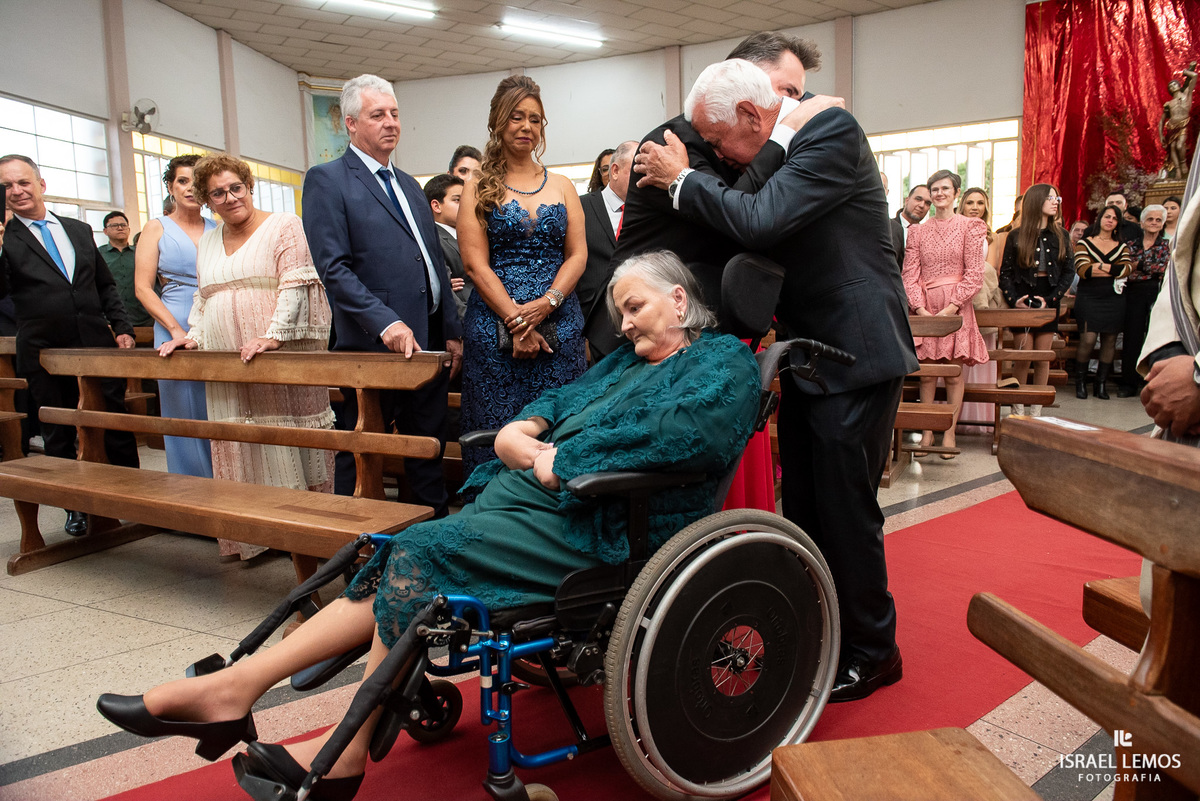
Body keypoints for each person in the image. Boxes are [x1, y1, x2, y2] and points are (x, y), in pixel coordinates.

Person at [95, 251, 761, 800]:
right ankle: (238, 687)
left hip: (605, 528)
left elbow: (683, 436)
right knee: (385, 553)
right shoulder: (625, 362)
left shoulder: (721, 362)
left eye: (635, 307)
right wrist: (525, 432)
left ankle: (325, 742)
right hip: (539, 501)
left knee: (417, 555)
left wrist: (558, 458)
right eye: (619, 311)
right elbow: (562, 398)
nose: (625, 322)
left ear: (679, 300)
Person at [635, 58, 918, 702]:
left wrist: (682, 178)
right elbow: (751, 193)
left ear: (751, 116)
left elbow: (760, 219)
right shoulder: (781, 143)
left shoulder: (831, 132)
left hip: (856, 350)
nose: (715, 157)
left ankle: (875, 652)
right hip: (811, 355)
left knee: (847, 513)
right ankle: (827, 635)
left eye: (715, 141)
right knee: (810, 512)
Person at [157, 154, 335, 561]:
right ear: (207, 201)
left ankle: (301, 530)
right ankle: (253, 530)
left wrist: (273, 336)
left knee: (284, 437)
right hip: (226, 358)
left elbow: (295, 286)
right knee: (240, 438)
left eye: (236, 187)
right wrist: (193, 337)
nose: (230, 197)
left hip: (275, 354)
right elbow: (203, 301)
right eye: (217, 193)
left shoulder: (285, 225)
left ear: (248, 186)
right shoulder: (208, 240)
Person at [302, 75, 462, 518]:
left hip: (426, 341)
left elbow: (433, 261)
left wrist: (450, 329)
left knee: (427, 446)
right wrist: (386, 321)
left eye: (394, 114)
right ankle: (354, 546)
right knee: (362, 452)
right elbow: (333, 268)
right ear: (351, 124)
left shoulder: (411, 184)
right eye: (378, 115)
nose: (390, 123)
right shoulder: (327, 180)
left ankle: (429, 537)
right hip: (372, 346)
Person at [0, 154, 139, 536]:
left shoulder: (78, 229)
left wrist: (122, 326)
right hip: (44, 350)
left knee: (113, 419)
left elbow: (104, 284)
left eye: (23, 182)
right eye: (7, 186)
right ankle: (74, 506)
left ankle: (134, 497)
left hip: (95, 343)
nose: (16, 191)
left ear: (41, 184)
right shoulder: (6, 238)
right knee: (59, 429)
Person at [457, 76, 587, 478]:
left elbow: (578, 254)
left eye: (535, 119)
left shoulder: (563, 186)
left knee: (558, 432)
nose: (527, 127)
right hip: (495, 332)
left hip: (559, 328)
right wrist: (516, 320)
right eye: (516, 117)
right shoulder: (477, 187)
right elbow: (475, 265)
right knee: (497, 434)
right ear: (498, 121)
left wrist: (549, 302)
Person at [134, 154, 216, 480]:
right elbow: (142, 288)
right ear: (171, 186)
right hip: (174, 318)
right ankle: (192, 490)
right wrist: (175, 330)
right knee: (183, 408)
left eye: (197, 182)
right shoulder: (156, 227)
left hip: (214, 319)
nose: (190, 188)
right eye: (182, 181)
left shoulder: (217, 227)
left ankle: (228, 489)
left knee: (218, 406)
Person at [902, 170, 988, 454]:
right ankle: (926, 433)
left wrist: (953, 307)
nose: (939, 194)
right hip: (926, 307)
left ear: (956, 193)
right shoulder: (918, 231)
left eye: (945, 189)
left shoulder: (970, 227)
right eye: (934, 189)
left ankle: (949, 434)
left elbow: (975, 273)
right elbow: (909, 274)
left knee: (952, 373)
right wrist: (920, 308)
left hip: (956, 306)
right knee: (927, 374)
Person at [997, 185, 1074, 413]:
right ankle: (1018, 405)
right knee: (1023, 355)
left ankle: (1037, 407)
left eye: (1056, 197)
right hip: (1023, 297)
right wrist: (1014, 299)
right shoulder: (1015, 235)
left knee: (1043, 356)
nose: (1055, 201)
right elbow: (1006, 273)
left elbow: (1069, 271)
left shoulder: (1062, 235)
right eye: (1050, 197)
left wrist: (1052, 299)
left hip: (1049, 297)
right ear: (1036, 201)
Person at [578, 140, 636, 355]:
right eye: (635, 171)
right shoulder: (580, 207)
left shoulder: (649, 212)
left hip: (637, 327)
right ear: (615, 171)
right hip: (592, 327)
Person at [1072, 205, 1132, 400]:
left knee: (1110, 340)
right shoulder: (1085, 243)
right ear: (1100, 219)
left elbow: (1127, 269)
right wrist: (1112, 269)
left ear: (1117, 224)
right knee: (1088, 339)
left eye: (1114, 218)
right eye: (1107, 216)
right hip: (1089, 297)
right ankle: (1080, 382)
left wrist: (1099, 266)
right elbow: (1083, 270)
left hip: (1114, 298)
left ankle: (1101, 383)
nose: (1110, 220)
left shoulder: (1122, 246)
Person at [1117, 204, 1170, 397]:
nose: (1154, 223)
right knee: (1132, 337)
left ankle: (1152, 383)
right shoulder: (1130, 245)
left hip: (1156, 292)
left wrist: (1139, 266)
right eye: (1150, 219)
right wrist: (1147, 268)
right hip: (1133, 294)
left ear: (1163, 223)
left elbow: (1164, 268)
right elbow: (1124, 270)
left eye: (1158, 220)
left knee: (1155, 337)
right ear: (1142, 222)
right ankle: (1128, 383)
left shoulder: (1166, 245)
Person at [424, 173, 471, 320]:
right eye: (457, 200)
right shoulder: (432, 239)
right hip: (464, 319)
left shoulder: (471, 234)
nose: (465, 204)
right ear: (436, 206)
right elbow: (447, 293)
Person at [99, 211, 151, 327]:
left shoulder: (142, 252)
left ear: (129, 229)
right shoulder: (98, 254)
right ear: (105, 231)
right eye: (114, 226)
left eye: (123, 225)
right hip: (111, 318)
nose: (120, 228)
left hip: (143, 317)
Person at [1159, 62, 1196, 179]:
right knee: (1173, 147)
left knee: (1180, 146)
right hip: (1172, 126)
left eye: (1175, 84)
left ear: (1179, 86)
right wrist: (1160, 136)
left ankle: (1183, 164)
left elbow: (1194, 76)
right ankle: (1178, 170)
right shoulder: (1168, 104)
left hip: (1184, 123)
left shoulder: (1186, 94)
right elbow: (1161, 121)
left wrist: (1186, 72)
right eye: (1170, 86)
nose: (1173, 86)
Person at [890, 185, 931, 269]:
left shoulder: (929, 235)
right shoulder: (888, 227)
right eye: (918, 199)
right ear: (907, 200)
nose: (922, 205)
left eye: (927, 203)